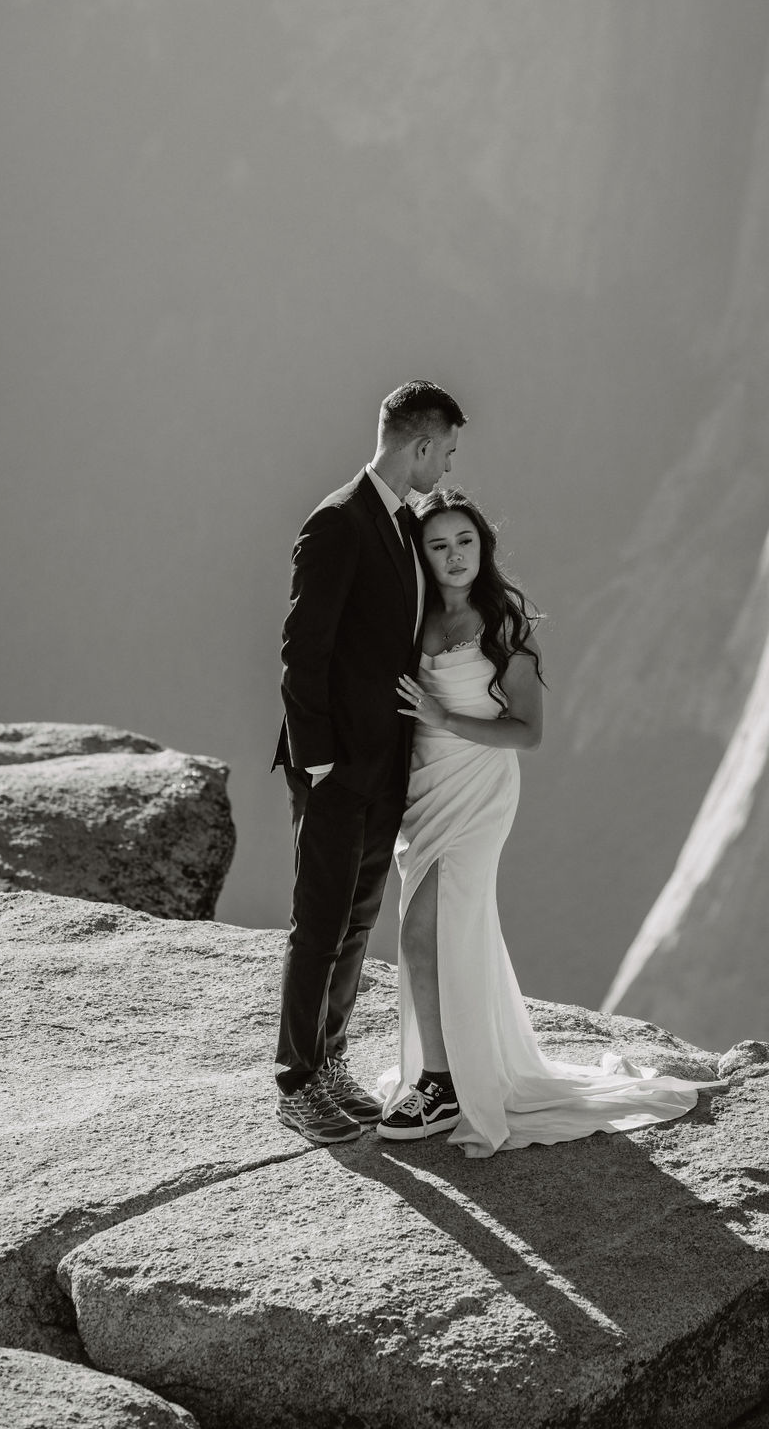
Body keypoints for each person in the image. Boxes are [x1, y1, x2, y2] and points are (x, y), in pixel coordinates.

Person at [376, 488, 718, 1157]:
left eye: (465, 542)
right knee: (435, 930)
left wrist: (446, 720)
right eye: (439, 545)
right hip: (421, 791)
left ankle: (443, 1080)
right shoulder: (412, 616)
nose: (454, 556)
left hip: (479, 789)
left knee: (426, 929)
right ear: (423, 553)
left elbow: (528, 731)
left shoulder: (504, 621)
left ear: (484, 545)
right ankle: (451, 1069)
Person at [272, 380, 467, 1144]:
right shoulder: (338, 521)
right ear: (419, 444)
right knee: (317, 922)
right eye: (445, 450)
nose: (448, 466)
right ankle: (295, 1083)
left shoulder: (403, 523)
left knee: (355, 921)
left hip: (384, 764)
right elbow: (302, 651)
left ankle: (330, 1064)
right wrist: (315, 760)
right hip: (335, 767)